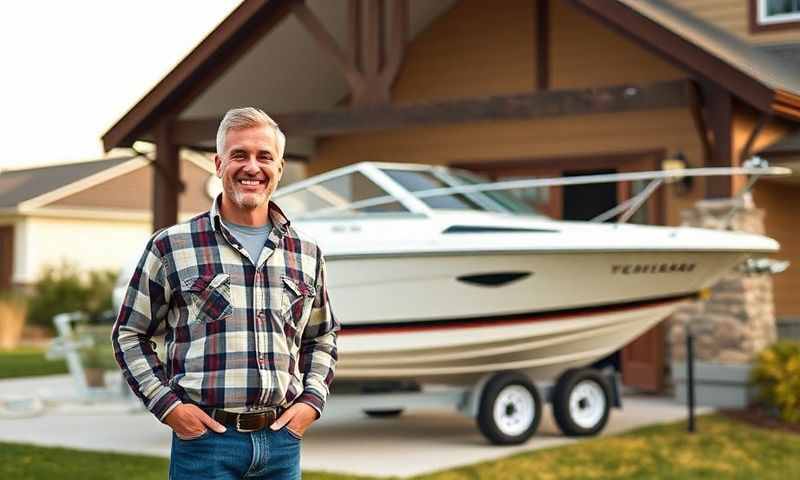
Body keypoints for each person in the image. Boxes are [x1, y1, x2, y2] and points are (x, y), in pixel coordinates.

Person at [112, 107, 339, 479]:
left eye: (265, 156)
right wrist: (169, 407)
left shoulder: (306, 252)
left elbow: (322, 336)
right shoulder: (171, 246)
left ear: (279, 168)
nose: (253, 166)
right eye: (239, 155)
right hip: (205, 444)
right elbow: (129, 334)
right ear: (219, 164)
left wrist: (311, 402)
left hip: (282, 443)